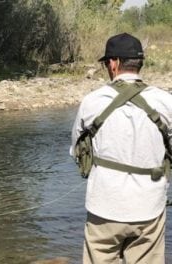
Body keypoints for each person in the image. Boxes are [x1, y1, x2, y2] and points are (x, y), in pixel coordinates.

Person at [70, 32, 172, 263]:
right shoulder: (166, 101)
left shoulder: (92, 101)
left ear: (114, 63)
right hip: (150, 206)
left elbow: (75, 149)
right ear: (140, 63)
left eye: (107, 63)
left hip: (103, 205)